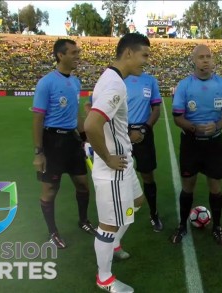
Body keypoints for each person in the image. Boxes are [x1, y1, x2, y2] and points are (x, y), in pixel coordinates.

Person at [84, 33, 151, 293]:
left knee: (137, 202)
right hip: (113, 168)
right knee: (108, 225)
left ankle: (114, 245)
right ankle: (105, 279)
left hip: (124, 163)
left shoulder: (111, 79)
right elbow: (91, 124)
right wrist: (108, 158)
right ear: (128, 53)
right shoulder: (115, 85)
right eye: (144, 55)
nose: (146, 61)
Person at [169, 44, 222, 246]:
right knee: (188, 185)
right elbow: (177, 117)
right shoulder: (184, 85)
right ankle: (182, 225)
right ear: (194, 60)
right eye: (201, 57)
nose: (205, 60)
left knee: (215, 186)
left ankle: (217, 227)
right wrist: (192, 127)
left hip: (214, 143)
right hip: (191, 143)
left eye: (208, 56)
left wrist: (215, 125)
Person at [32, 39, 95, 249]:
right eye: (74, 52)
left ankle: (84, 221)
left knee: (83, 184)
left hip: (72, 141)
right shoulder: (46, 82)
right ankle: (52, 232)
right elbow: (38, 119)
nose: (78, 56)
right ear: (61, 55)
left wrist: (85, 137)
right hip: (53, 142)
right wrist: (39, 153)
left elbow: (75, 114)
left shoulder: (76, 82)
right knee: (50, 189)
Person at [125, 72, 163, 232]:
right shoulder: (117, 77)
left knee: (148, 175)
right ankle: (120, 213)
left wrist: (143, 129)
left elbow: (156, 109)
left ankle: (154, 215)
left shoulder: (150, 80)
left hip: (143, 134)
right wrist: (127, 132)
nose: (144, 58)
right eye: (142, 54)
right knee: (119, 174)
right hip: (121, 133)